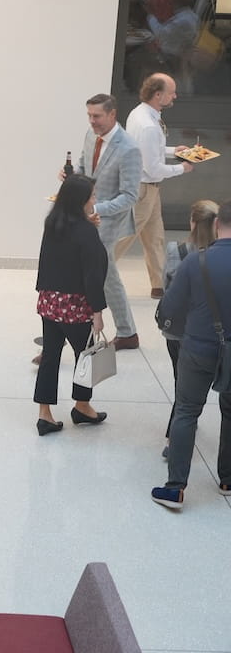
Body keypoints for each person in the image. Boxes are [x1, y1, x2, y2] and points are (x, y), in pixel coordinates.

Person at [151, 199, 231, 510]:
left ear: (215, 225)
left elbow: (170, 307)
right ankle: (227, 479)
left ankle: (175, 489)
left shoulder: (195, 262)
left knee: (186, 411)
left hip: (197, 347)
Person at [33, 175, 109, 435]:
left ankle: (45, 414)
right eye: (93, 195)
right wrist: (97, 312)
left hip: (49, 301)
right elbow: (92, 275)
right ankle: (82, 405)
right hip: (75, 305)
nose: (95, 200)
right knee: (85, 355)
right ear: (81, 200)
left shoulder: (52, 223)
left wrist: (88, 227)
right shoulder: (87, 232)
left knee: (50, 357)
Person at [114, 73, 193, 299]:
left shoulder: (141, 114)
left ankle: (160, 285)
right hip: (143, 189)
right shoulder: (148, 124)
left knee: (155, 237)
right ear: (158, 95)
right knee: (123, 238)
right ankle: (94, 273)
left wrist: (173, 151)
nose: (175, 96)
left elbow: (147, 150)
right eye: (171, 92)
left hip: (148, 189)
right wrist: (182, 168)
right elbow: (153, 168)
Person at [74, 93, 143, 350]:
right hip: (86, 216)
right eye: (89, 116)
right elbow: (84, 168)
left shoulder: (129, 149)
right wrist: (71, 177)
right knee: (105, 276)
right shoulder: (91, 135)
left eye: (97, 116)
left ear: (112, 114)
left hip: (108, 222)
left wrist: (94, 208)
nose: (92, 122)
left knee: (100, 275)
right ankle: (127, 332)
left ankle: (124, 332)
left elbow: (129, 197)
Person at [159, 199, 218, 453]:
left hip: (178, 329)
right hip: (211, 330)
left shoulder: (177, 251)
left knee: (180, 381)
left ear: (191, 222)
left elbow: (167, 289)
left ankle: (176, 436)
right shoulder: (220, 255)